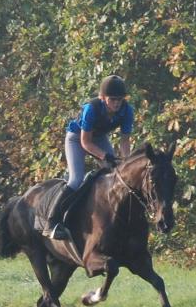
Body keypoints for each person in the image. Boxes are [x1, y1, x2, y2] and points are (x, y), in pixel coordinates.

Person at [41, 75, 134, 240]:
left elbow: (125, 142)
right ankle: (51, 222)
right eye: (113, 99)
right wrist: (105, 156)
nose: (117, 103)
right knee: (76, 180)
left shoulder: (127, 111)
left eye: (120, 99)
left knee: (116, 175)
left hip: (99, 138)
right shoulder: (91, 108)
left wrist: (125, 162)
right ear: (102, 98)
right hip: (77, 138)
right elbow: (86, 142)